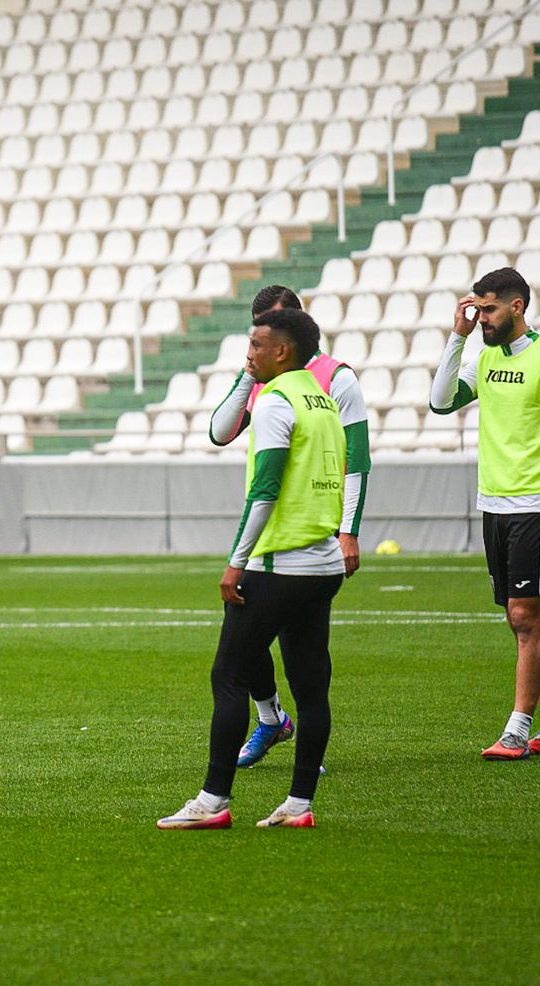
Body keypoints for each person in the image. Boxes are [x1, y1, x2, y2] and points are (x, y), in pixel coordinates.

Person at [160, 308, 347, 830]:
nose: (249, 354)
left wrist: (235, 563)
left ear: (281, 350)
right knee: (311, 688)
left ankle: (213, 801)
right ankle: (299, 805)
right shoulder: (322, 399)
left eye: (255, 345)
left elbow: (264, 491)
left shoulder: (277, 403)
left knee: (229, 673)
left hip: (279, 562)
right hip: (323, 561)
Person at [428, 267, 540, 760]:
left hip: (538, 507)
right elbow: (440, 403)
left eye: (488, 309)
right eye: (476, 309)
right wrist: (456, 339)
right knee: (522, 620)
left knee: (526, 617)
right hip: (493, 504)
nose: (480, 318)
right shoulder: (482, 358)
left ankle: (518, 730)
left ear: (517, 307)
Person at [208, 285, 369, 769]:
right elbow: (219, 432)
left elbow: (355, 459)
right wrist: (247, 374)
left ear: (291, 334)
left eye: (267, 333)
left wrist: (348, 529)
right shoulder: (265, 377)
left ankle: (227, 789)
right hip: (269, 536)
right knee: (258, 645)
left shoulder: (336, 378)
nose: (256, 342)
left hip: (302, 539)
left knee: (263, 656)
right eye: (255, 331)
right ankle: (273, 722)